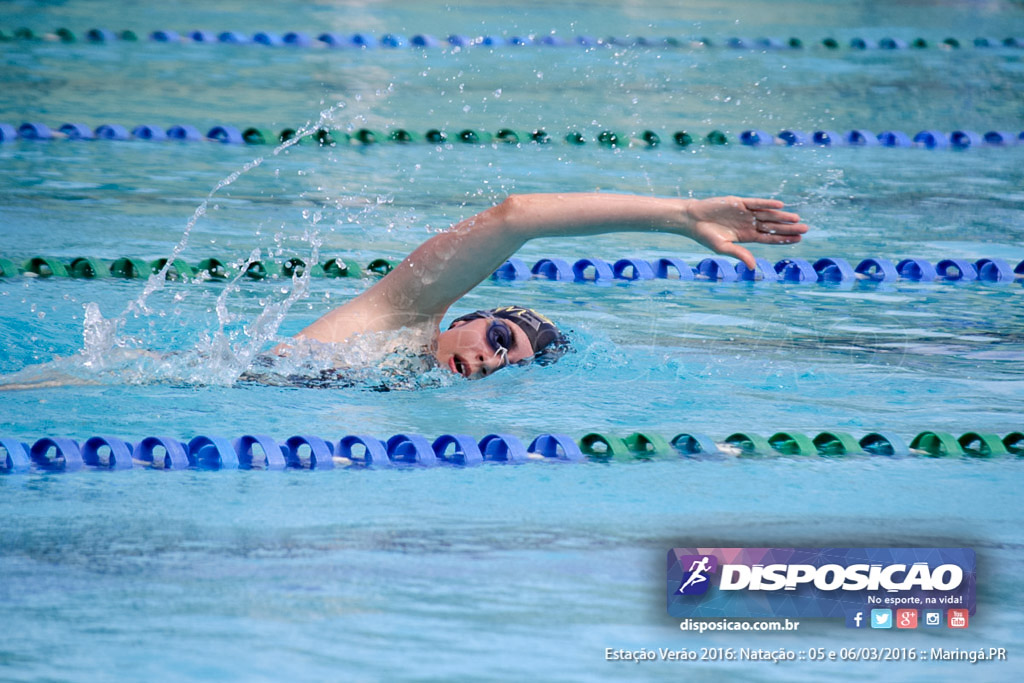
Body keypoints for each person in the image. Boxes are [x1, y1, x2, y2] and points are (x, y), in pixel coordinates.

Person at [283, 192, 808, 379]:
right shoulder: (397, 317)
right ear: (467, 319)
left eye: (507, 364)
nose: (493, 360)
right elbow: (517, 217)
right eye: (499, 340)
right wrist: (682, 215)